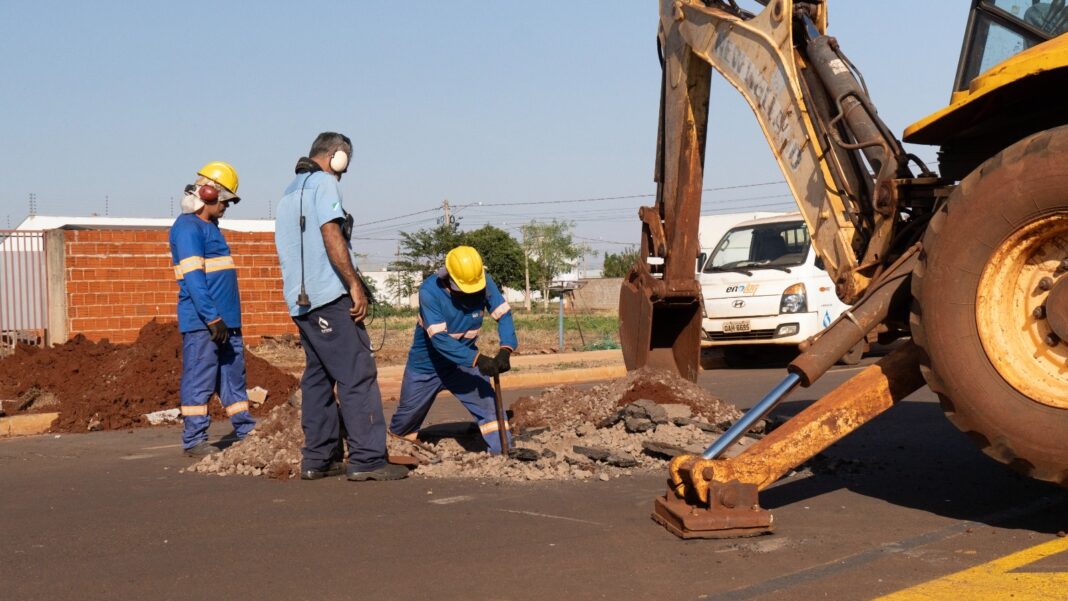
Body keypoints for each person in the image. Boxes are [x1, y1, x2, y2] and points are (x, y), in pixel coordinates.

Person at [274, 132, 407, 481]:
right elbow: (331, 235)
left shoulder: (289, 193)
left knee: (318, 377)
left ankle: (319, 459)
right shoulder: (325, 185)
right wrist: (353, 284)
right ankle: (367, 459)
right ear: (337, 157)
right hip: (329, 299)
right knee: (356, 374)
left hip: (301, 304)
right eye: (344, 163)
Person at [389, 246, 517, 454]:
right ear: (449, 278)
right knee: (404, 425)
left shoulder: (481, 280)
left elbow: (504, 314)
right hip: (426, 366)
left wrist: (506, 348)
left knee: (490, 406)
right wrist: (478, 360)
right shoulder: (430, 292)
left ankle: (503, 451)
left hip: (462, 365)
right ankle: (395, 446)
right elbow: (440, 340)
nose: (474, 293)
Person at [169, 161, 256, 457]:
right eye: (225, 200)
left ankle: (245, 430)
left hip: (225, 321)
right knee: (200, 378)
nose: (226, 207)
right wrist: (212, 317)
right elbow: (194, 278)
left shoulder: (211, 227)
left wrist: (224, 319)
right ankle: (194, 440)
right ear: (208, 193)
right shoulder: (187, 228)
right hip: (204, 322)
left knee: (233, 378)